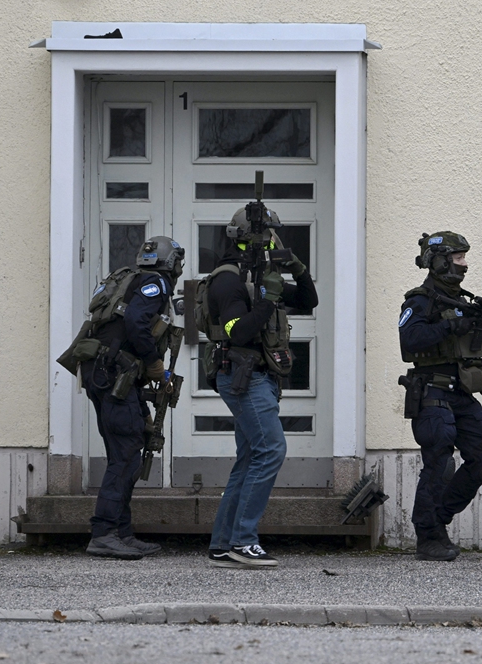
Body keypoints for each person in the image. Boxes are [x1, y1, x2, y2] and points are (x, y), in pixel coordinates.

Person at [397, 232, 482, 561]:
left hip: (459, 392)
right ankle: (427, 537)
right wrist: (449, 326)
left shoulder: (462, 301)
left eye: (464, 258)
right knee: (439, 460)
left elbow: (469, 344)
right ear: (439, 261)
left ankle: (438, 520)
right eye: (458, 258)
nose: (464, 265)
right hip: (430, 390)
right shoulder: (419, 300)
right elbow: (410, 340)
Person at [202, 206, 317, 569]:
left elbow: (309, 300)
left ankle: (223, 544)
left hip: (259, 376)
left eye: (273, 235)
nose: (270, 241)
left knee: (251, 457)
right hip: (242, 374)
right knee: (270, 451)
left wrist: (297, 268)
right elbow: (238, 331)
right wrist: (267, 300)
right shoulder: (229, 278)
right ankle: (243, 541)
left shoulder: (263, 276)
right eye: (265, 235)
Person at [81, 235, 185, 560]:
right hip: (114, 374)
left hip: (105, 373)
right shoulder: (156, 283)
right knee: (126, 455)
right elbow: (135, 322)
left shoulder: (130, 280)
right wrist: (156, 365)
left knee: (126, 452)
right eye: (178, 262)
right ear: (171, 263)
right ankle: (104, 533)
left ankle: (122, 533)